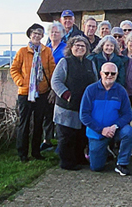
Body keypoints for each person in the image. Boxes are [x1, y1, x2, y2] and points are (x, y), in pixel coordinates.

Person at [10, 23, 56, 162]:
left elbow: (52, 69)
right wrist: (21, 82)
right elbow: (14, 69)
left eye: (40, 33)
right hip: (25, 93)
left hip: (42, 92)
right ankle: (22, 153)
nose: (37, 35)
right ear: (30, 35)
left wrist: (51, 87)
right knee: (23, 123)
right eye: (34, 33)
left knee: (38, 122)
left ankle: (36, 151)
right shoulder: (22, 52)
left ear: (42, 36)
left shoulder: (46, 51)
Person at [80, 62, 132, 176]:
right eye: (106, 73)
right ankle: (104, 152)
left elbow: (127, 114)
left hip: (115, 130)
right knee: (96, 167)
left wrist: (114, 127)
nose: (109, 75)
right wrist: (101, 130)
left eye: (113, 73)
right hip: (97, 132)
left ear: (117, 74)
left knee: (129, 132)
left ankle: (122, 163)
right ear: (101, 73)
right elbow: (84, 115)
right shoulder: (90, 90)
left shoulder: (121, 91)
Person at [51, 35, 97, 170]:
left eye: (83, 46)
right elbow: (56, 81)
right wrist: (66, 94)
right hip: (66, 107)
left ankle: (79, 158)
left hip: (83, 106)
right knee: (67, 136)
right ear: (71, 47)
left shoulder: (90, 64)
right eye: (77, 45)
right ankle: (67, 162)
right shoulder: (65, 62)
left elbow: (94, 82)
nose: (80, 48)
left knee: (81, 136)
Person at [42, 21, 67, 151]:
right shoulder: (46, 49)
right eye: (52, 32)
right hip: (45, 85)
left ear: (62, 34)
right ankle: (47, 139)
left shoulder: (65, 48)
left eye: (57, 32)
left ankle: (59, 140)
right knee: (47, 113)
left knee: (58, 113)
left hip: (60, 85)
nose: (54, 34)